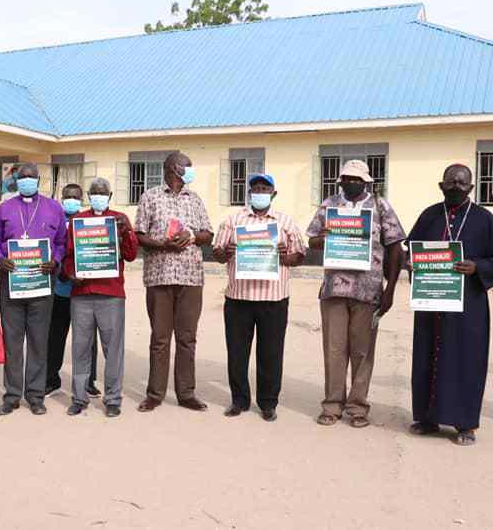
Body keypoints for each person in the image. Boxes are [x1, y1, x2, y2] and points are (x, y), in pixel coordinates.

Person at [306, 159, 405, 428]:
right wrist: (323, 237)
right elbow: (312, 240)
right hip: (333, 289)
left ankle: (358, 407)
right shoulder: (329, 205)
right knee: (334, 349)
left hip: (368, 291)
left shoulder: (380, 206)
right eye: (347, 178)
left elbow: (395, 247)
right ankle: (332, 405)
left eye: (357, 179)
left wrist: (390, 290)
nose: (352, 183)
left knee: (362, 352)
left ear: (367, 182)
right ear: (340, 181)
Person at [406, 164, 493, 445]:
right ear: (441, 185)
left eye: (462, 182)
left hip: (469, 304)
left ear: (471, 187)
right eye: (450, 182)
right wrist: (412, 263)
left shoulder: (484, 219)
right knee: (426, 357)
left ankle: (465, 424)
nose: (456, 186)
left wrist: (477, 266)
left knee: (466, 361)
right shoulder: (430, 215)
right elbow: (411, 247)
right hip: (431, 302)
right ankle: (427, 418)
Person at [211, 174, 305, 421]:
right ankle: (239, 400)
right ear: (249, 193)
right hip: (238, 297)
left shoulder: (285, 222)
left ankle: (268, 403)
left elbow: (300, 255)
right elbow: (217, 252)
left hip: (274, 298)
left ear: (273, 194)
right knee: (237, 352)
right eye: (255, 188)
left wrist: (286, 257)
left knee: (271, 353)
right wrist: (226, 251)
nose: (260, 192)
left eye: (265, 188)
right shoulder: (233, 221)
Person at [134, 151, 213, 413]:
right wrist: (161, 243)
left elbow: (207, 234)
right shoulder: (150, 197)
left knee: (187, 338)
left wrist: (191, 234)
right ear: (172, 168)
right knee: (160, 338)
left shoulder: (195, 199)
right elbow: (139, 235)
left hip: (191, 277)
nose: (190, 170)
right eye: (186, 166)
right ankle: (155, 394)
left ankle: (186, 393)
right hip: (159, 276)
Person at [0, 162, 67, 416]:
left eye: (31, 177)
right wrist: (1, 258)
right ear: (16, 182)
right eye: (22, 177)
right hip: (10, 284)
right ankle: (11, 396)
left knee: (37, 341)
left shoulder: (54, 208)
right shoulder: (4, 208)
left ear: (38, 180)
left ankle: (35, 395)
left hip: (42, 285)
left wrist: (55, 260)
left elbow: (61, 243)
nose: (27, 181)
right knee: (12, 342)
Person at [61, 177, 139, 417]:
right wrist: (70, 274)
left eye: (102, 192)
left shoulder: (119, 219)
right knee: (80, 348)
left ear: (110, 195)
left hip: (111, 294)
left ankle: (113, 399)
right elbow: (66, 256)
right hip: (82, 294)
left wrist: (126, 231)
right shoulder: (77, 221)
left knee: (113, 349)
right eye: (94, 192)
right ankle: (79, 397)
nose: (98, 195)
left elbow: (131, 254)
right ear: (88, 195)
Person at [46, 183, 99, 397]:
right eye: (67, 196)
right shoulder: (55, 221)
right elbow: (51, 249)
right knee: (55, 337)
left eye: (75, 196)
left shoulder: (90, 221)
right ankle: (51, 379)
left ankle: (88, 382)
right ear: (61, 198)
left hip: (85, 291)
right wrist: (63, 273)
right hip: (60, 291)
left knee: (87, 340)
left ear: (82, 198)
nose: (71, 200)